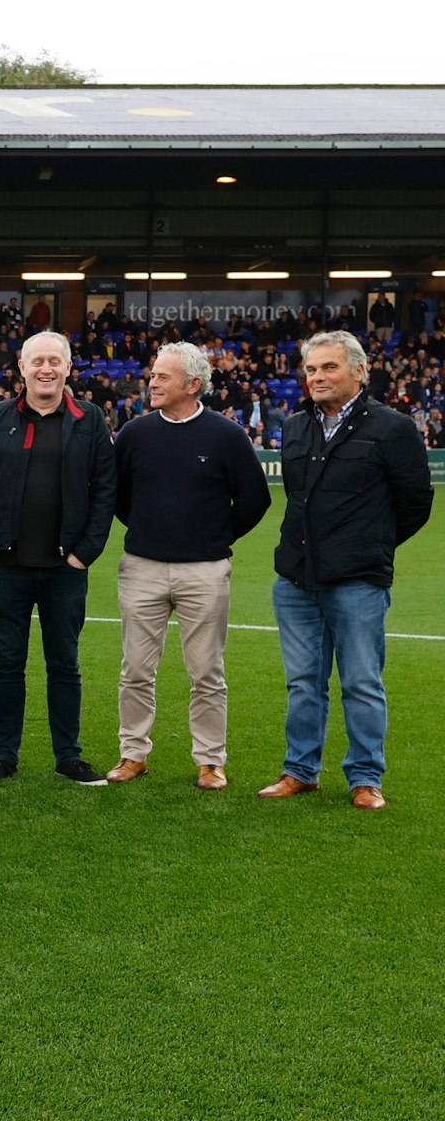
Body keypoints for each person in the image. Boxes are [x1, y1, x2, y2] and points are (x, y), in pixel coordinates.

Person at [261, 331, 433, 809]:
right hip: (295, 580)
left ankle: (364, 777)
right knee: (303, 682)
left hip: (358, 580)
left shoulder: (393, 428)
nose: (317, 377)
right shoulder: (294, 426)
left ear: (359, 371)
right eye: (311, 369)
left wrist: (370, 545)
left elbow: (416, 503)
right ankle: (300, 770)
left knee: (361, 681)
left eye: (329, 368)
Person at [108, 342, 270, 790]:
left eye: (162, 376)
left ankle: (210, 762)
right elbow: (118, 497)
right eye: (153, 374)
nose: (152, 382)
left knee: (207, 673)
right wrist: (147, 528)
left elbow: (256, 499)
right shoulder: (135, 433)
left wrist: (216, 536)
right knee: (135, 669)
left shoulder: (226, 435)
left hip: (205, 571)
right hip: (141, 567)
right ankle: (132, 754)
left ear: (192, 384)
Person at [0, 330, 116, 786]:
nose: (46, 368)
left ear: (68, 368)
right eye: (38, 361)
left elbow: (106, 491)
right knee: (7, 661)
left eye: (56, 360)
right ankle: (4, 755)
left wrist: (84, 554)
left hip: (64, 570)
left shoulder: (90, 420)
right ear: (22, 368)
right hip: (8, 566)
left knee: (64, 663)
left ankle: (68, 756)